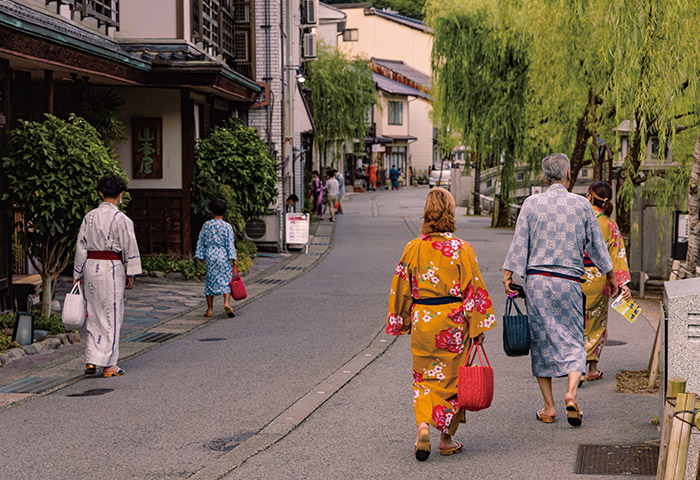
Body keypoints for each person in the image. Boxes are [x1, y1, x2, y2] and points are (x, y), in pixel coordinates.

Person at [502, 153, 618, 427]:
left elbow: (520, 243)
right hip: (569, 281)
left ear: (544, 178)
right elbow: (597, 247)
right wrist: (610, 275)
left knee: (541, 342)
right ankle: (571, 392)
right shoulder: (581, 205)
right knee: (575, 339)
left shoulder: (532, 204)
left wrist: (508, 275)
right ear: (568, 175)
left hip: (538, 282)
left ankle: (549, 407)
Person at [386, 187, 496, 461]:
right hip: (454, 323)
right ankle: (446, 439)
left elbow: (400, 287)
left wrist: (402, 320)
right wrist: (478, 327)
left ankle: (423, 425)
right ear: (450, 212)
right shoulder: (463, 249)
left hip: (424, 321)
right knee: (452, 381)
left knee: (424, 379)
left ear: (426, 212)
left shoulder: (413, 247)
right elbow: (474, 290)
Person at [73, 175, 141, 378]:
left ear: (101, 193)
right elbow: (130, 247)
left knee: (93, 313)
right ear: (121, 194)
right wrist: (131, 272)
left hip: (91, 266)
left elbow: (81, 246)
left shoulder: (89, 217)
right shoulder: (122, 219)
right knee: (111, 314)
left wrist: (77, 273)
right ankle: (109, 364)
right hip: (111, 267)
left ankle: (91, 360)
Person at [581, 181, 632, 383]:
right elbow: (617, 254)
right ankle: (592, 368)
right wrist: (622, 283)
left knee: (575, 322)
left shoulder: (578, 219)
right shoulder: (609, 223)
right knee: (596, 323)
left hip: (574, 277)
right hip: (599, 279)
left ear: (590, 197)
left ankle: (575, 367)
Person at [195, 198, 238, 318]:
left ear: (211, 212)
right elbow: (230, 243)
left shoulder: (207, 225)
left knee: (210, 281)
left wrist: (201, 255)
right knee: (226, 280)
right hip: (222, 254)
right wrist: (233, 258)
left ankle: (209, 310)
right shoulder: (227, 226)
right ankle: (226, 303)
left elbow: (201, 240)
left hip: (210, 254)